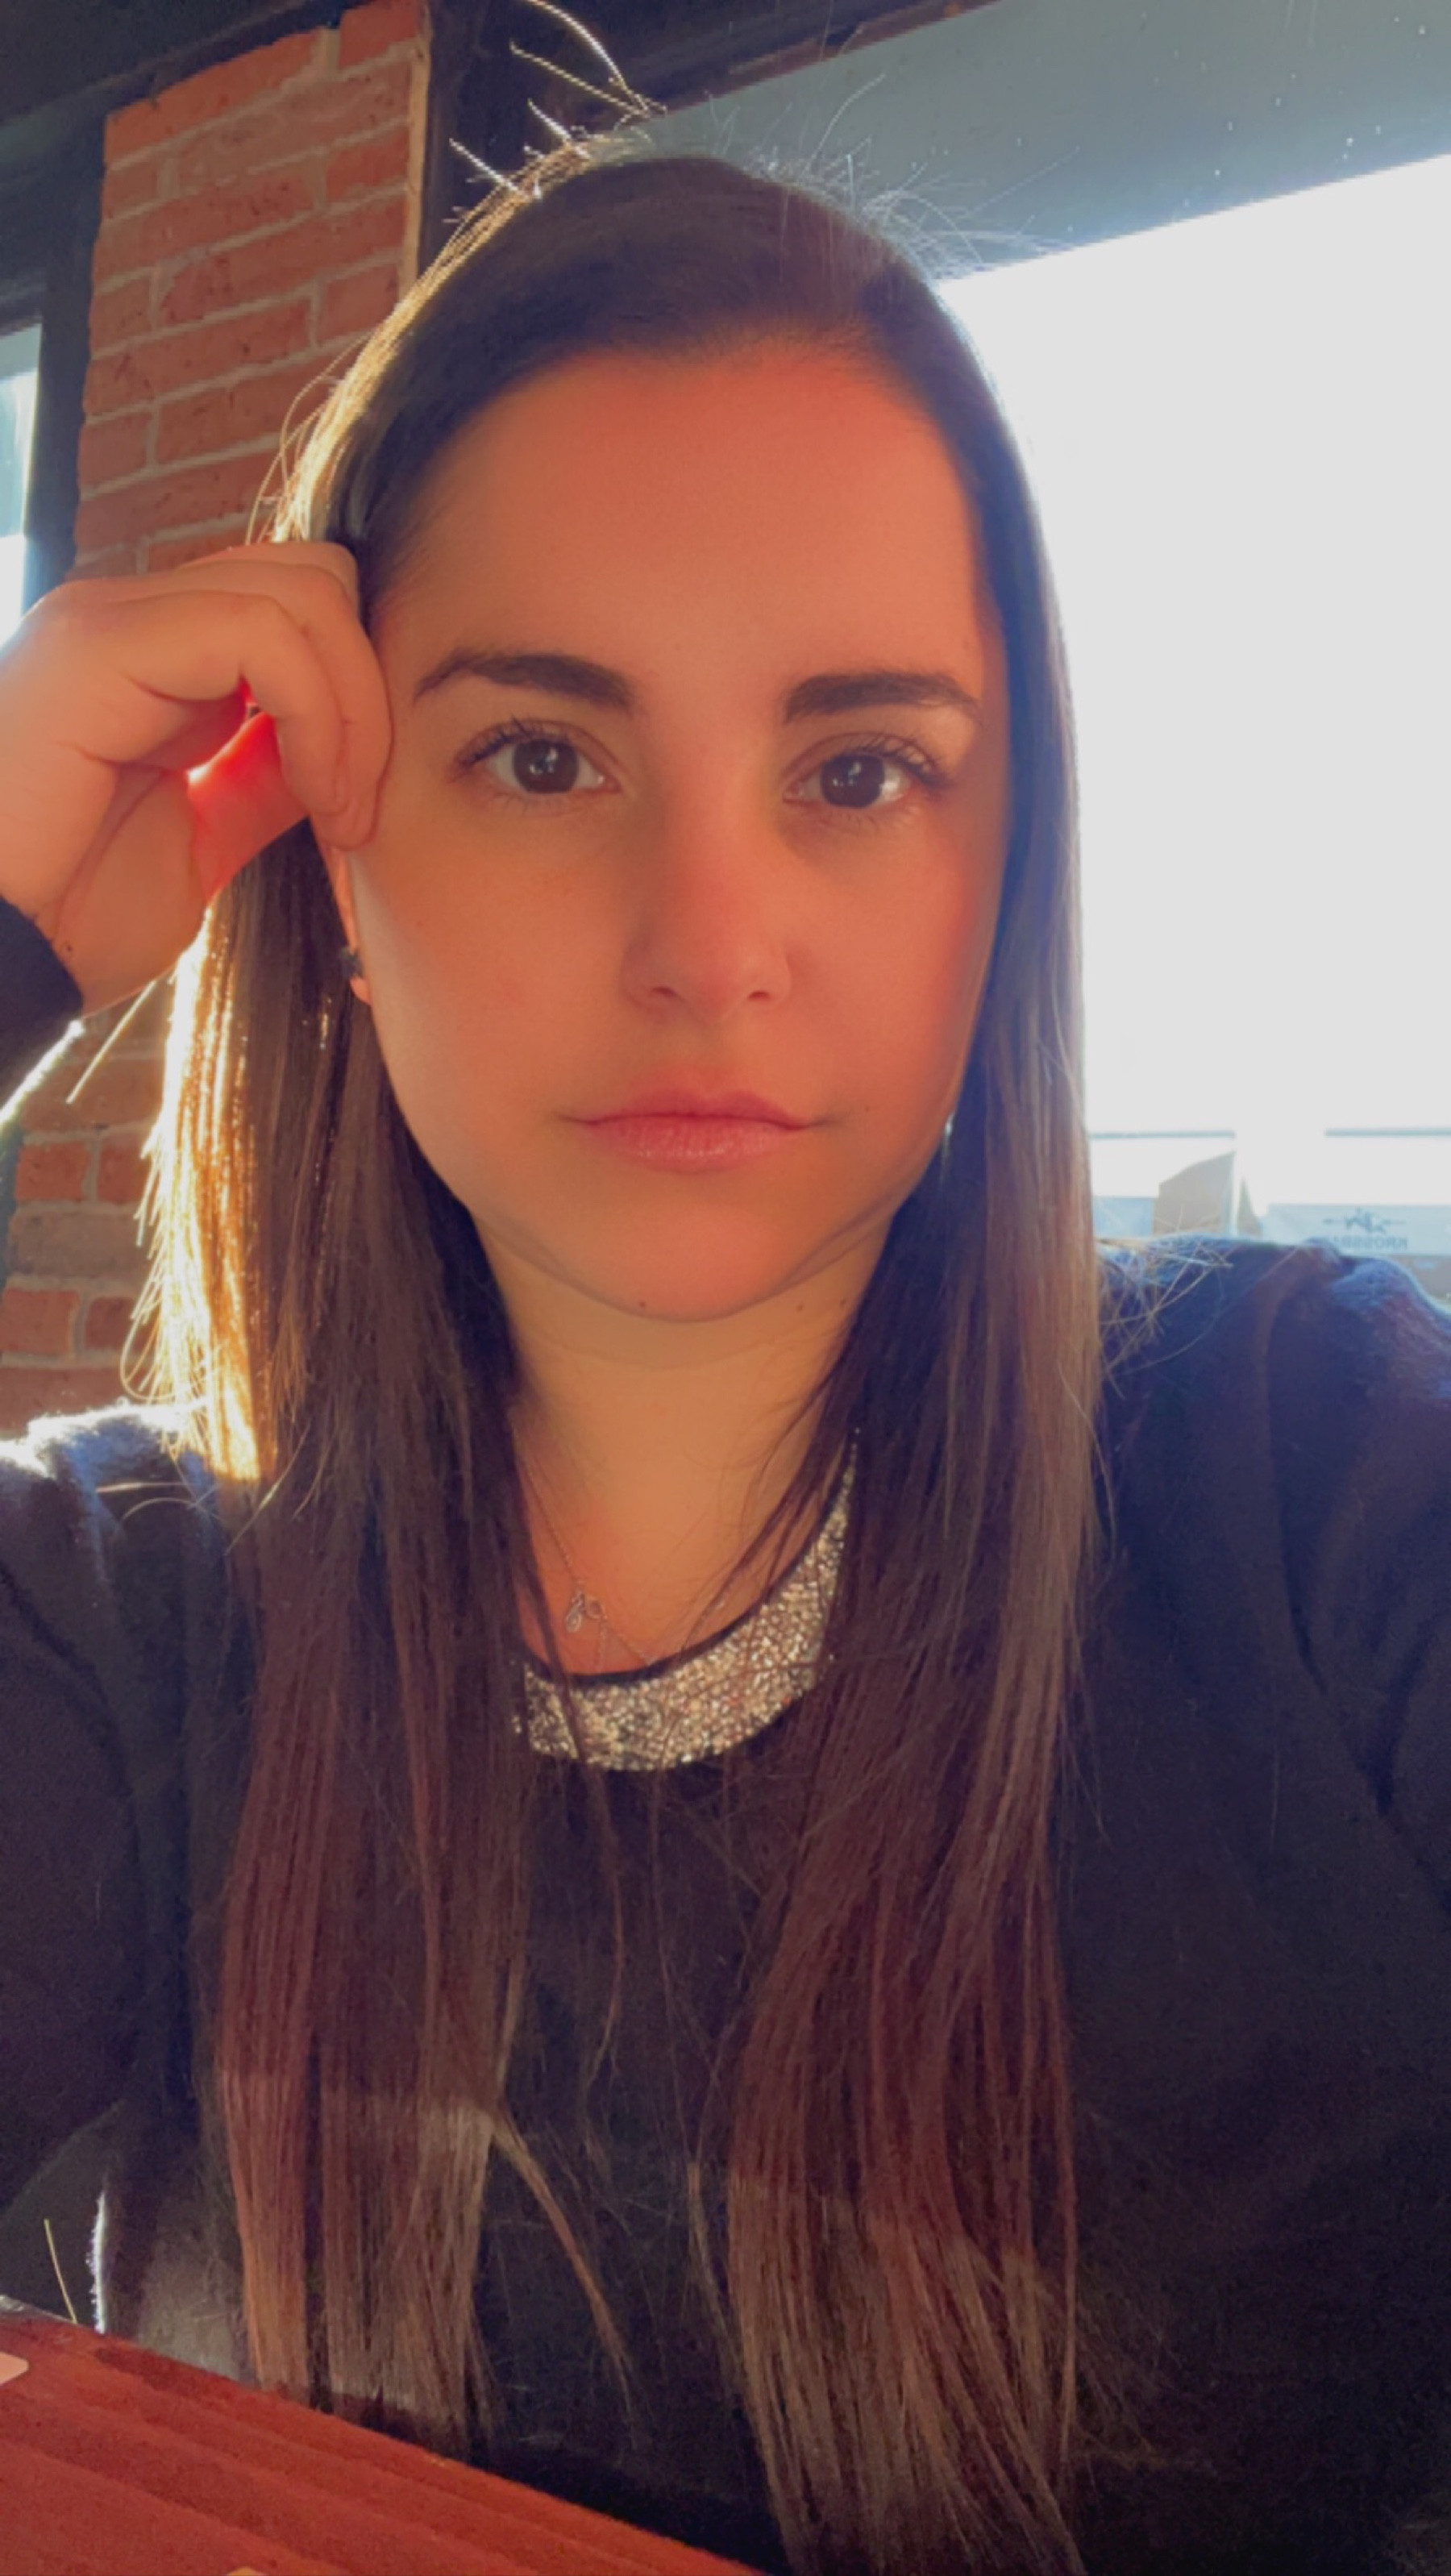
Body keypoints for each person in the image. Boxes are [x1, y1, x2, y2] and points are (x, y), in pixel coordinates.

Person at [2, 139, 1450, 2576]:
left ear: (1006, 874)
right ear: (336, 867)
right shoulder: (113, 1624)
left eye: (858, 770)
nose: (710, 935)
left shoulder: (1323, 1488)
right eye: (544, 756)